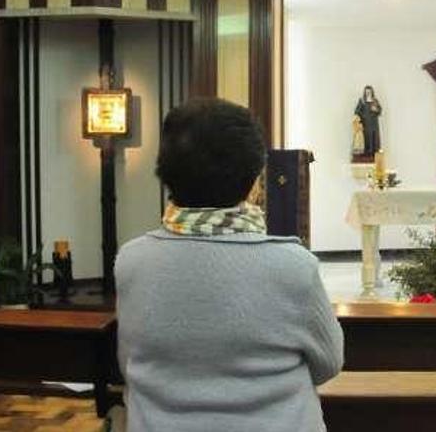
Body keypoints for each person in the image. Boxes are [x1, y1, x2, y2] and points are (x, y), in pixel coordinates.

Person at [115, 97, 344, 432]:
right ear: (254, 183)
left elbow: (129, 363)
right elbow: (328, 364)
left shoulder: (132, 262)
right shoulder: (294, 267)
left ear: (165, 174)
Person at [353, 85, 382, 157]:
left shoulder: (375, 101)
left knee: (374, 140)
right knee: (367, 139)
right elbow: (357, 111)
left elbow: (380, 111)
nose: (368, 93)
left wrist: (376, 109)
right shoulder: (362, 101)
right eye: (367, 92)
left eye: (369, 92)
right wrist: (359, 119)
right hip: (366, 124)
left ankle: (374, 155)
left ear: (372, 92)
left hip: (374, 125)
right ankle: (367, 155)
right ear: (365, 92)